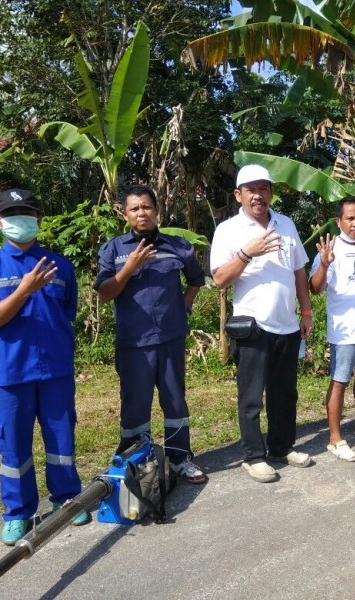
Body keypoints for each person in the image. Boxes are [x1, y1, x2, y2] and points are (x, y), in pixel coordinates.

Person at [0, 188, 88, 545]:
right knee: (13, 447)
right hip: (12, 373)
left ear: (37, 219)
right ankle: (18, 513)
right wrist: (22, 291)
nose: (22, 219)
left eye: (28, 212)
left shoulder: (60, 266)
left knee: (61, 439)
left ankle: (66, 499)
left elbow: (66, 313)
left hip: (55, 371)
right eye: (13, 213)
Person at [209, 164, 314, 482]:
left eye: (264, 188)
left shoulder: (286, 224)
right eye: (251, 189)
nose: (258, 195)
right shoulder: (228, 230)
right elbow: (219, 280)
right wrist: (246, 253)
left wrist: (306, 313)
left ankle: (281, 447)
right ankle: (253, 456)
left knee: (286, 393)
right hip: (253, 325)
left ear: (271, 192)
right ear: (238, 195)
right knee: (252, 396)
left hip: (287, 324)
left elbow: (299, 272)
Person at [95, 184, 206, 483]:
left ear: (157, 210)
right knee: (135, 404)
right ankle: (137, 462)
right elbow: (105, 293)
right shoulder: (114, 250)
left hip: (170, 338)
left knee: (174, 400)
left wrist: (183, 307)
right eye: (135, 208)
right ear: (124, 214)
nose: (142, 213)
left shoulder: (177, 245)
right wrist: (128, 268)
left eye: (146, 207)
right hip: (134, 343)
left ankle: (180, 457)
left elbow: (196, 279)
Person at [310, 197, 355, 462]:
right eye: (349, 218)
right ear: (339, 221)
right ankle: (335, 439)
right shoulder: (331, 248)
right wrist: (324, 264)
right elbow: (315, 288)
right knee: (340, 381)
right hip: (345, 331)